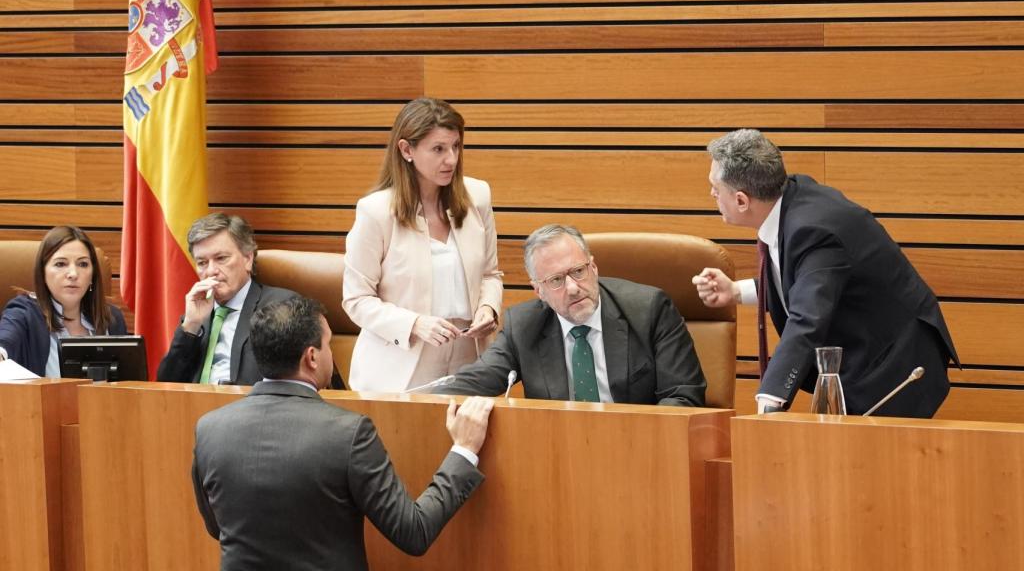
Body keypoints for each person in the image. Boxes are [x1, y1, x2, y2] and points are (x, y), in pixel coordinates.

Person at [192, 295, 494, 571]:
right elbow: (413, 532)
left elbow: (217, 528)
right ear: (311, 357)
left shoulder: (209, 429)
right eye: (329, 344)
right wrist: (464, 449)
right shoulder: (348, 434)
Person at [692, 129, 958, 417]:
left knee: (870, 459)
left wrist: (769, 402)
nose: (712, 195)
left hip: (896, 366)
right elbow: (809, 284)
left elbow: (808, 318)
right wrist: (735, 291)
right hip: (868, 356)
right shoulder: (792, 197)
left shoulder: (813, 230)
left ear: (742, 201)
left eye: (716, 189)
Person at [437, 224, 706, 406]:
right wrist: (407, 401)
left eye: (578, 271)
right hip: (560, 457)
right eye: (556, 280)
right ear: (538, 290)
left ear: (594, 267)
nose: (573, 288)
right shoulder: (524, 325)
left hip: (642, 451)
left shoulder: (649, 310)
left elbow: (683, 397)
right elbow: (474, 381)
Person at [343, 97, 503, 393]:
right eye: (438, 149)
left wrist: (488, 308)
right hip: (400, 367)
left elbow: (491, 275)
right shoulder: (376, 212)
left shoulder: (477, 196)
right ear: (407, 150)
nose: (451, 159)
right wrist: (414, 323)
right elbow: (356, 300)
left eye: (456, 146)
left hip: (469, 360)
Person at [157, 213, 344, 387]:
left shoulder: (282, 308)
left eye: (221, 258)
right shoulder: (197, 315)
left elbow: (311, 379)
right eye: (202, 263)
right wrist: (190, 327)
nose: (211, 271)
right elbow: (166, 386)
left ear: (248, 258)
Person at [0, 226, 127, 376]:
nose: (73, 274)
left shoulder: (112, 319)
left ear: (92, 275)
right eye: (60, 264)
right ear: (43, 272)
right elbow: (6, 339)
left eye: (83, 264)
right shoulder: (24, 313)